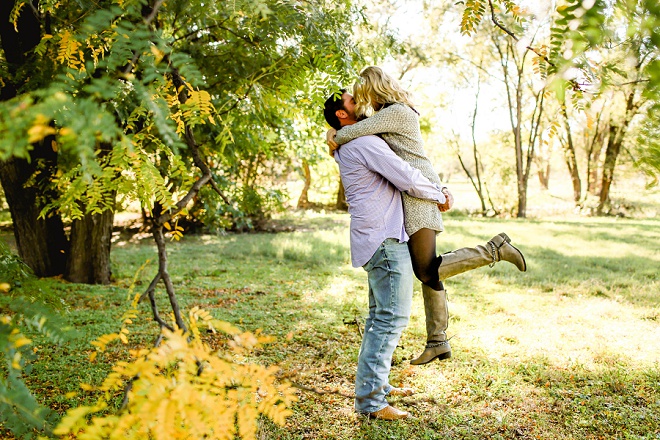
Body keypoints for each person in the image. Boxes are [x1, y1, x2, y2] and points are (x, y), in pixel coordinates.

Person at [326, 66, 527, 366]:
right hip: (415, 192)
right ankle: (437, 341)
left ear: (373, 88)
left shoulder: (396, 111)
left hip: (419, 194)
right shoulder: (381, 116)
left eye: (360, 93)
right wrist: (333, 131)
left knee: (426, 269)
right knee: (428, 268)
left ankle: (493, 250)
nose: (358, 98)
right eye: (353, 98)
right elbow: (355, 133)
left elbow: (351, 133)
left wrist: (334, 134)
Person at [323, 90, 452, 421]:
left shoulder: (349, 141)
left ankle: (375, 386)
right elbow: (405, 177)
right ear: (342, 114)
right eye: (353, 101)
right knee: (390, 318)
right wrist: (439, 194)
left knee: (378, 317)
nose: (361, 103)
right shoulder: (364, 143)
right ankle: (371, 403)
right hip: (384, 238)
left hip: (375, 237)